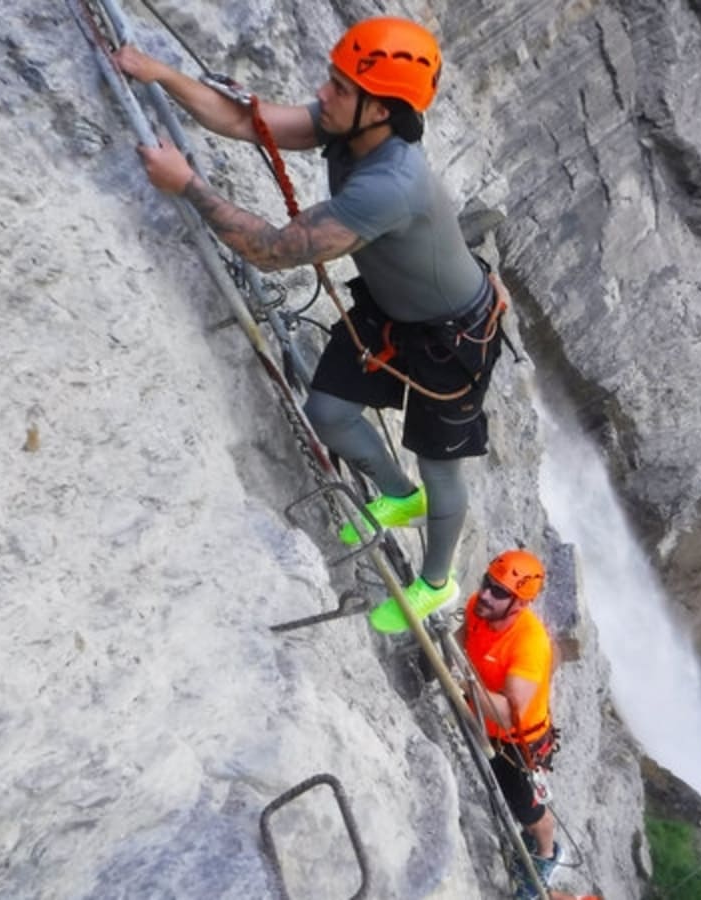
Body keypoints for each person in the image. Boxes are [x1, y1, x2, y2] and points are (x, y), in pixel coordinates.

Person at [113, 18, 505, 632]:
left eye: (340, 88)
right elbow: (249, 122)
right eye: (332, 80)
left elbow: (272, 250)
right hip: (394, 312)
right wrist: (159, 72)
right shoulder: (351, 125)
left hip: (454, 338)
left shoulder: (391, 184)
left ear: (381, 109)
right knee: (328, 412)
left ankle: (437, 583)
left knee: (440, 467)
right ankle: (397, 496)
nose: (324, 94)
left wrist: (187, 185)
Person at [459, 549, 565, 898]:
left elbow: (507, 713)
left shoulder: (529, 643)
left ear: (519, 604)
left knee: (528, 811)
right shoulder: (479, 608)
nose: (486, 595)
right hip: (484, 725)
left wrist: (463, 685)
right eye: (487, 583)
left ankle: (547, 854)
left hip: (519, 745)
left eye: (499, 592)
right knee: (507, 795)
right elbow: (463, 636)